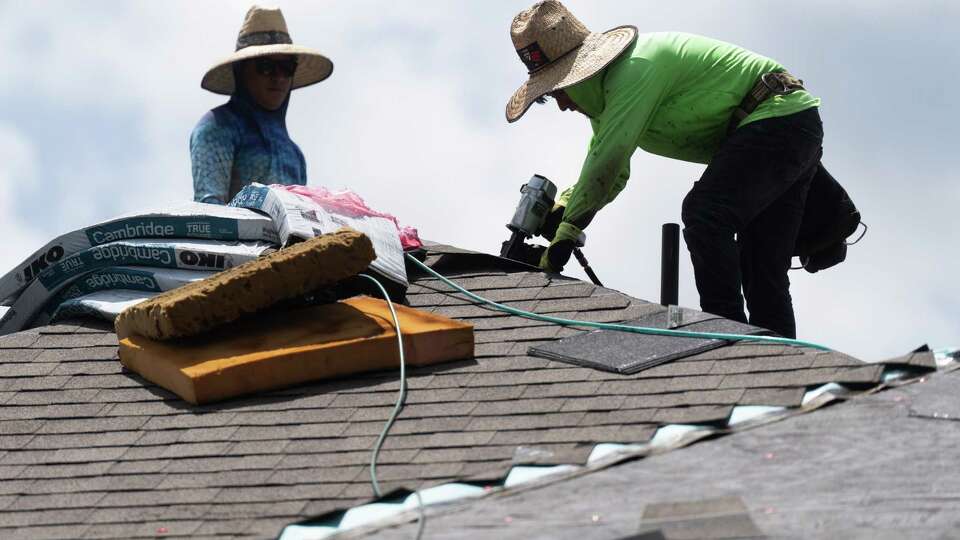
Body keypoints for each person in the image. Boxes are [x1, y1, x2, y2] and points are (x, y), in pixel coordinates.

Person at [506, 0, 837, 339]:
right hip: (792, 125)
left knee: (706, 214)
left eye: (559, 90)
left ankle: (728, 338)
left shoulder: (634, 70)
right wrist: (565, 208)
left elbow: (610, 158)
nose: (561, 105)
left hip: (779, 121)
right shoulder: (611, 95)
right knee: (762, 265)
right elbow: (608, 169)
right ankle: (776, 364)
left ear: (581, 74)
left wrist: (567, 232)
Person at [191, 5, 333, 205]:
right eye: (266, 68)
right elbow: (209, 208)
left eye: (286, 68)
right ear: (241, 72)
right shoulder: (218, 127)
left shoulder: (294, 154)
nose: (278, 78)